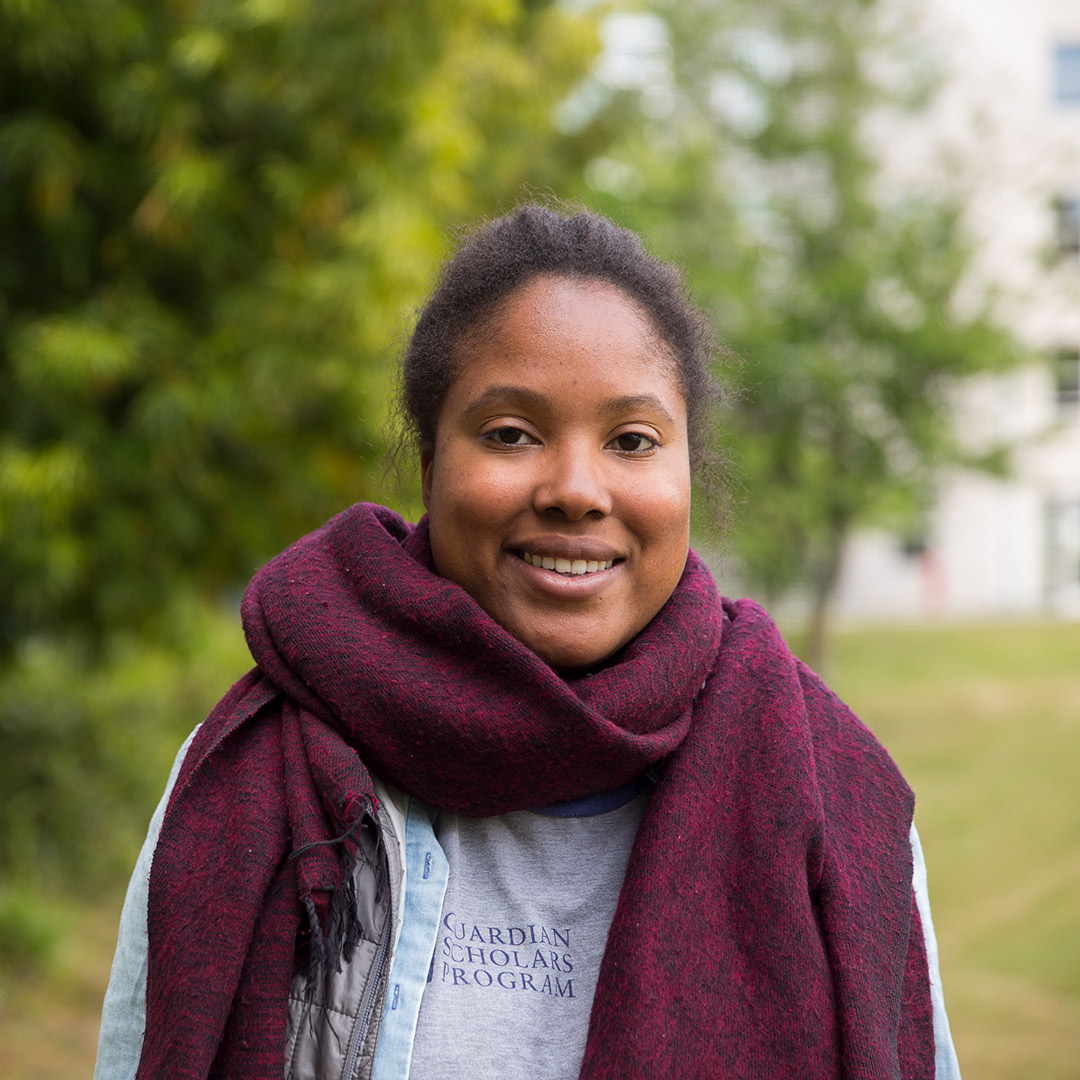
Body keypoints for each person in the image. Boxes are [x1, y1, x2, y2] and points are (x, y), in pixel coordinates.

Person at [95, 203, 960, 1080]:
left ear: (688, 471)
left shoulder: (832, 793)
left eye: (633, 440)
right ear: (430, 465)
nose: (577, 491)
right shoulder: (258, 775)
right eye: (510, 433)